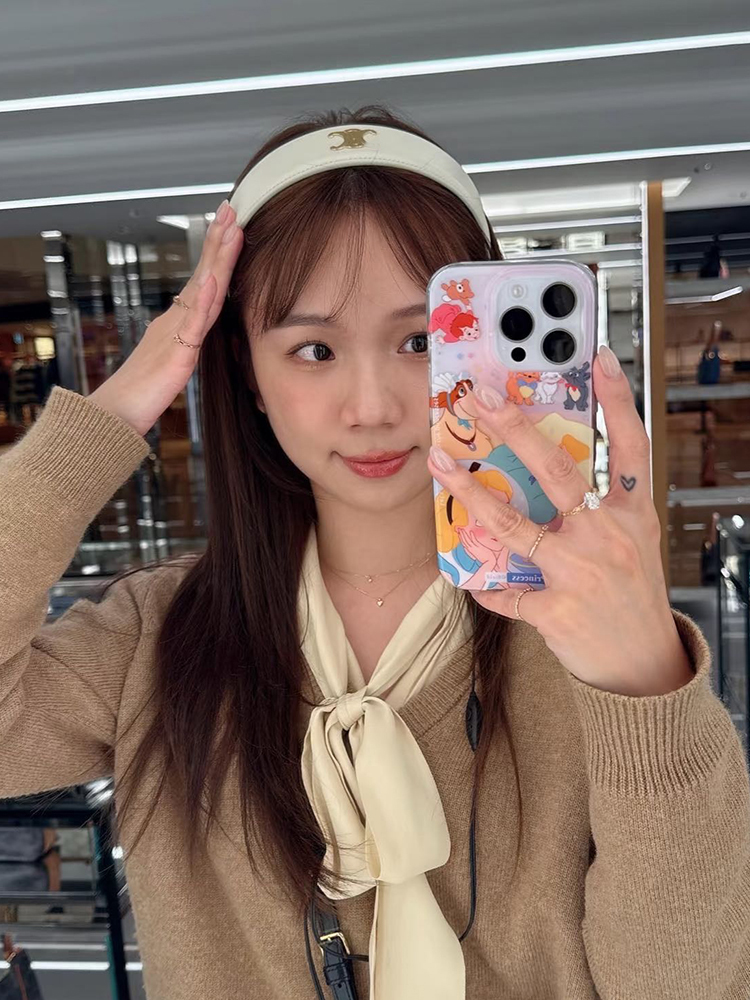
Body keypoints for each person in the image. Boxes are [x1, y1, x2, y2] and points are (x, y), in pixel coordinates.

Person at [1, 106, 749, 1000]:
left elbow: (688, 984)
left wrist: (647, 690)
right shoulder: (154, 640)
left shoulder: (583, 639)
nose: (372, 407)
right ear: (246, 371)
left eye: (423, 341)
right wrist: (113, 412)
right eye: (313, 349)